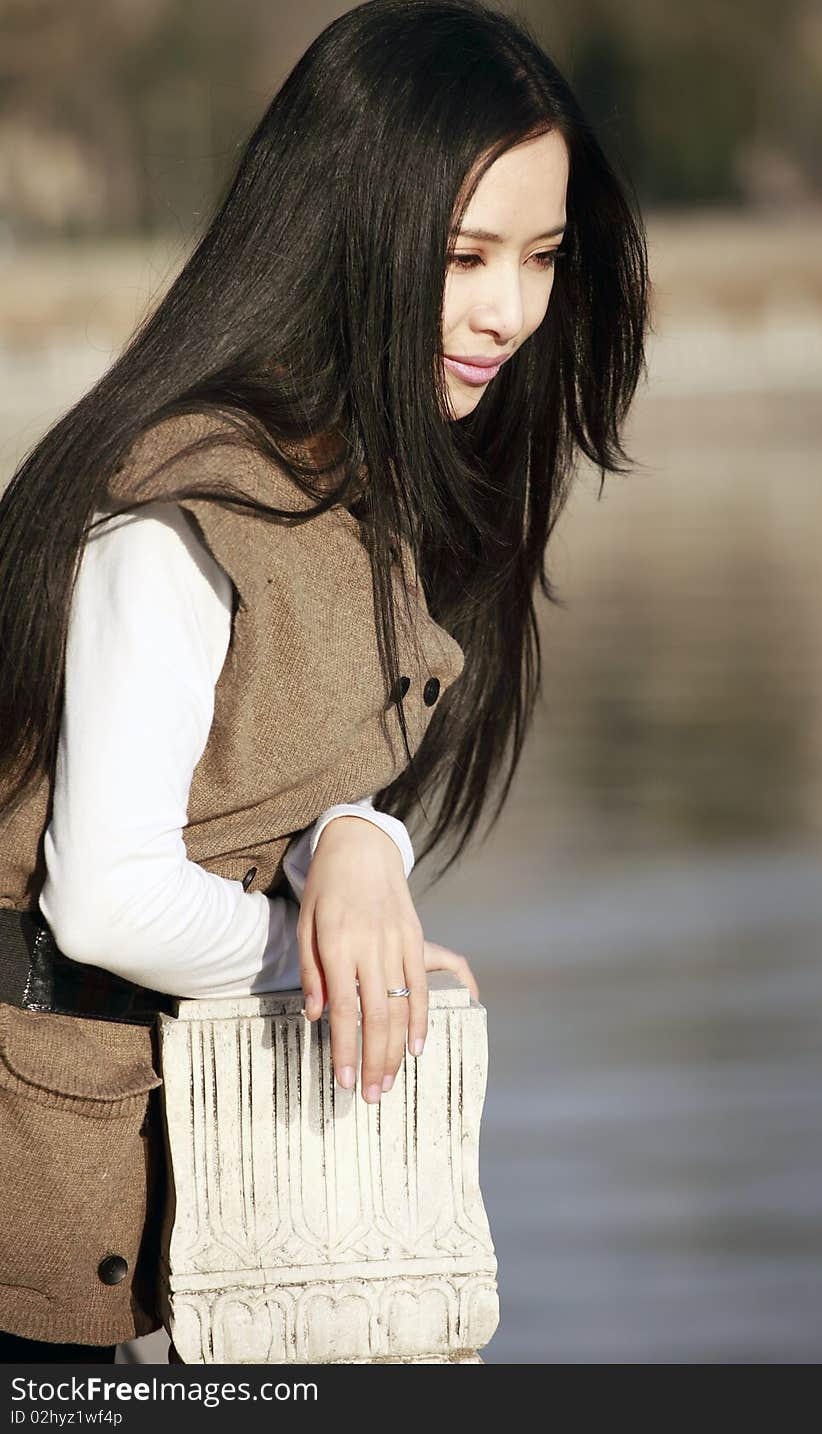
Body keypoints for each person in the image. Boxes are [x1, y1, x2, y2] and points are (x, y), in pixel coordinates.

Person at [0, 0, 650, 1362]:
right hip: (37, 1210)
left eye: (540, 256)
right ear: (351, 226)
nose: (510, 310)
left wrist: (362, 839)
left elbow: (257, 777)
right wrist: (335, 959)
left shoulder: (352, 487)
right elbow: (107, 890)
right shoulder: (179, 507)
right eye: (466, 254)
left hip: (163, 1195)